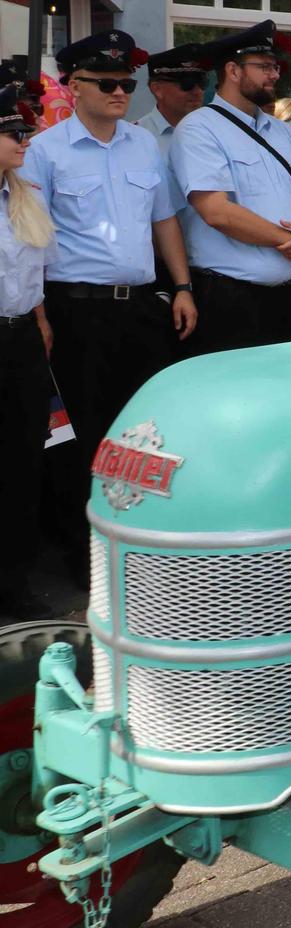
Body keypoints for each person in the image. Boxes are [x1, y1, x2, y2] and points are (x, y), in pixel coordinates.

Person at [21, 31, 198, 558]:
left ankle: (142, 535)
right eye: (107, 84)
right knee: (83, 429)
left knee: (144, 428)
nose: (120, 93)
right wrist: (40, 313)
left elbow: (164, 220)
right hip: (76, 308)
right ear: (74, 85)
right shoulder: (45, 151)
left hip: (141, 306)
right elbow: (30, 238)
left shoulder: (142, 144)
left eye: (127, 84)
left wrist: (182, 286)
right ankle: (85, 550)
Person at [169, 20, 291, 352]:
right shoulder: (199, 129)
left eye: (275, 66)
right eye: (264, 66)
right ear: (233, 70)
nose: (274, 75)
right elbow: (217, 212)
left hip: (290, 295)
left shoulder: (284, 132)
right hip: (232, 299)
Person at [0, 85, 54, 613]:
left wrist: (39, 321)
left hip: (21, 340)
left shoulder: (24, 195)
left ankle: (15, 585)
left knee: (23, 462)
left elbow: (34, 272)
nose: (25, 140)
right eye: (14, 132)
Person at [134, 43, 208, 144]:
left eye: (202, 83)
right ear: (157, 89)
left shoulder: (213, 132)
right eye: (187, 84)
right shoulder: (135, 138)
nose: (198, 91)